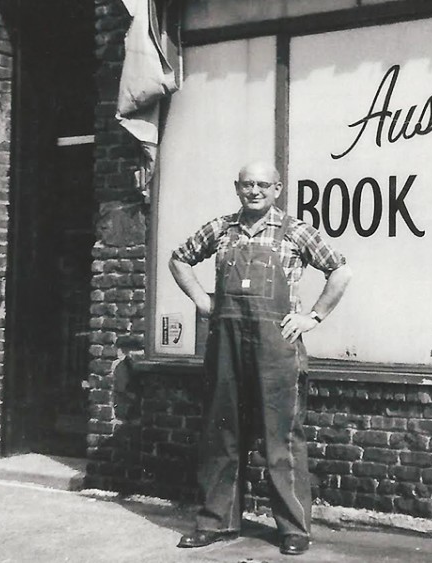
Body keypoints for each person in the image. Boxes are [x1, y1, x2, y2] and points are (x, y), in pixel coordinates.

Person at [169, 161, 352, 556]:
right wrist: (202, 300)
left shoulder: (296, 231)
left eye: (263, 185)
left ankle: (293, 529)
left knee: (281, 438)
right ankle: (217, 522)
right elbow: (179, 259)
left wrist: (312, 317)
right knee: (223, 432)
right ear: (237, 188)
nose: (254, 191)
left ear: (277, 189)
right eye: (247, 184)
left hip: (277, 349)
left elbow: (340, 271)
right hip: (226, 345)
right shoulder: (220, 228)